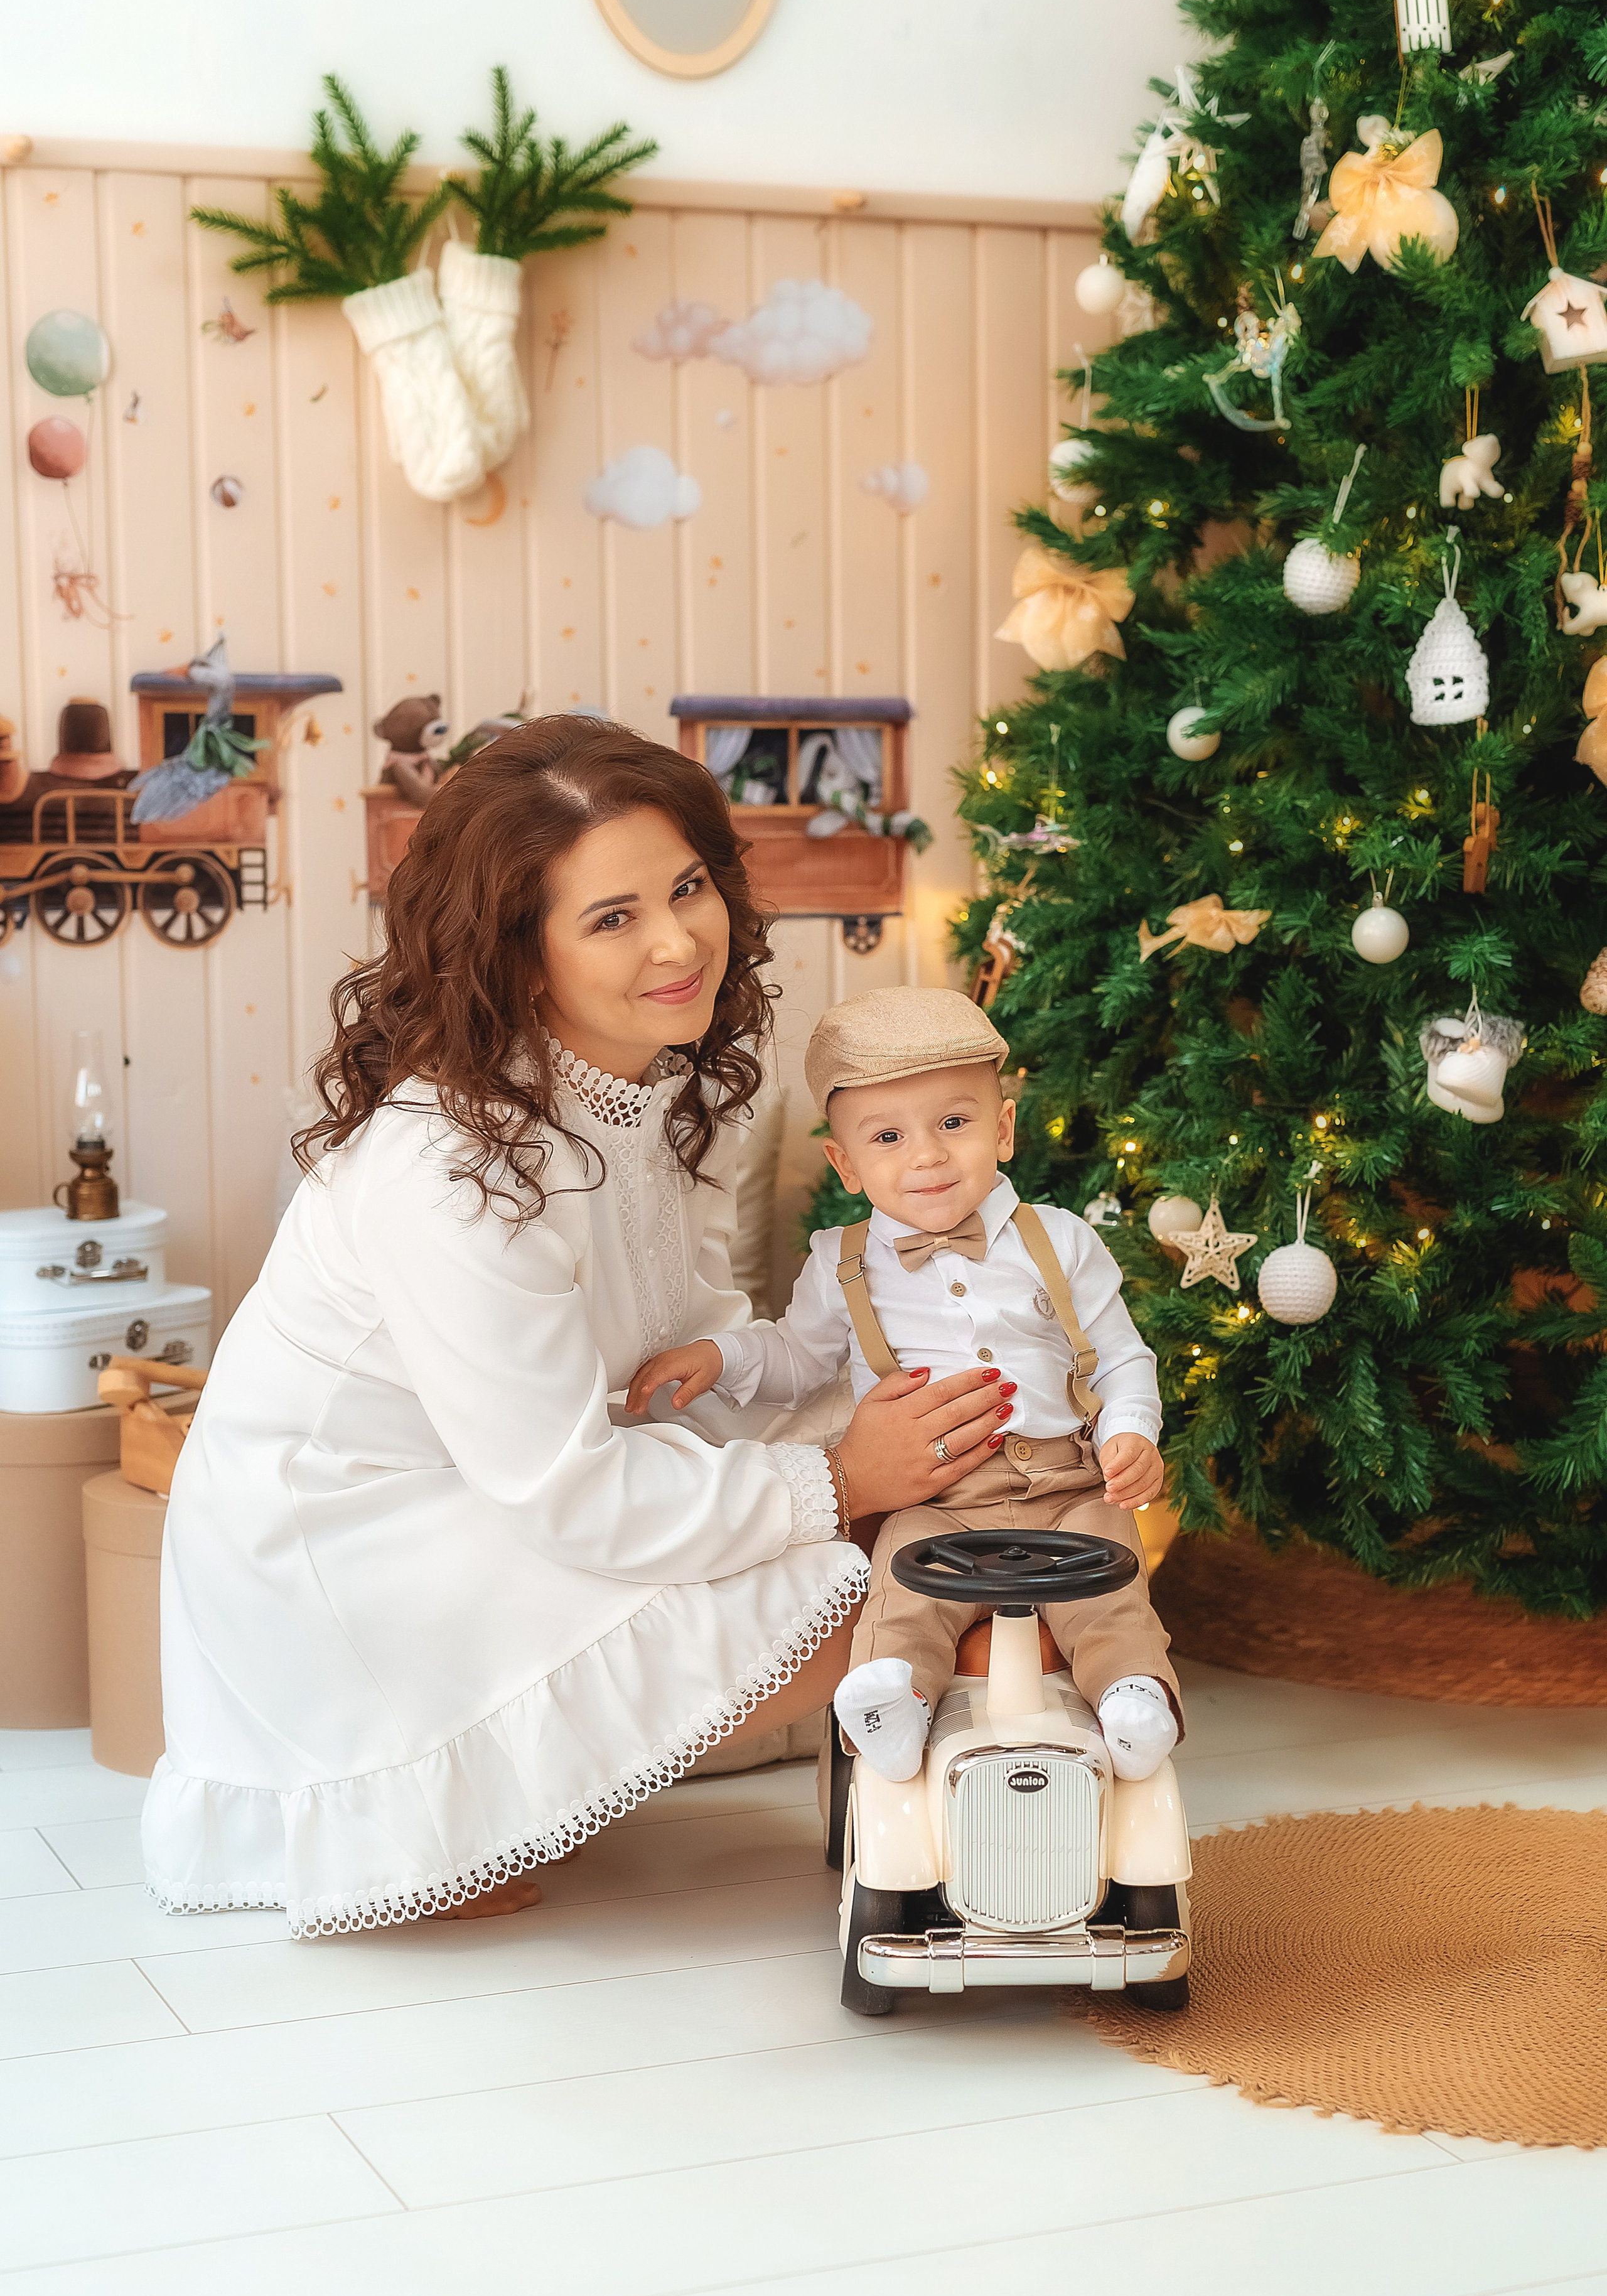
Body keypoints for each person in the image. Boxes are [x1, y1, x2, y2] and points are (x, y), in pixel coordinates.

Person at [141, 720, 1009, 1938]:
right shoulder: (447, 1165)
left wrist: (888, 1415)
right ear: (515, 952)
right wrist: (833, 1480)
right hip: (348, 1549)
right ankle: (429, 1813)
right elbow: (569, 1491)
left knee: (938, 1487)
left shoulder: (632, 1083)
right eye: (612, 919)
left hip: (503, 1484)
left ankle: (981, 1794)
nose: (676, 941)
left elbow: (684, 1353)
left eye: (688, 888)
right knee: (870, 1580)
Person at [628, 985, 1182, 1785]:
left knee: (1109, 1576)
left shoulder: (1059, 1239)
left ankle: (1134, 1700)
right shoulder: (842, 1260)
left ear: (1004, 1128)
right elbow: (795, 1358)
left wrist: (1132, 1431)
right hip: (932, 1495)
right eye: (888, 1136)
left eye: (953, 1123)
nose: (925, 1155)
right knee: (900, 1585)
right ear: (845, 1164)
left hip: (1066, 1477)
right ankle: (894, 1703)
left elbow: (1122, 1355)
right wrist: (723, 1356)